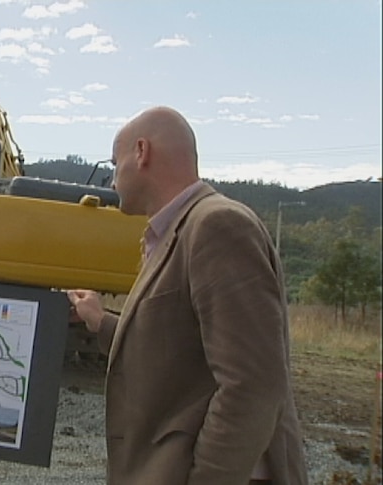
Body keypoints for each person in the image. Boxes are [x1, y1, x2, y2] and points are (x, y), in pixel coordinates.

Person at [67, 106, 308, 485]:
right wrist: (101, 320)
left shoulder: (217, 225)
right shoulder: (176, 232)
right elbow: (178, 348)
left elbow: (253, 386)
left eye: (116, 164)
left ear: (142, 152)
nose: (113, 181)